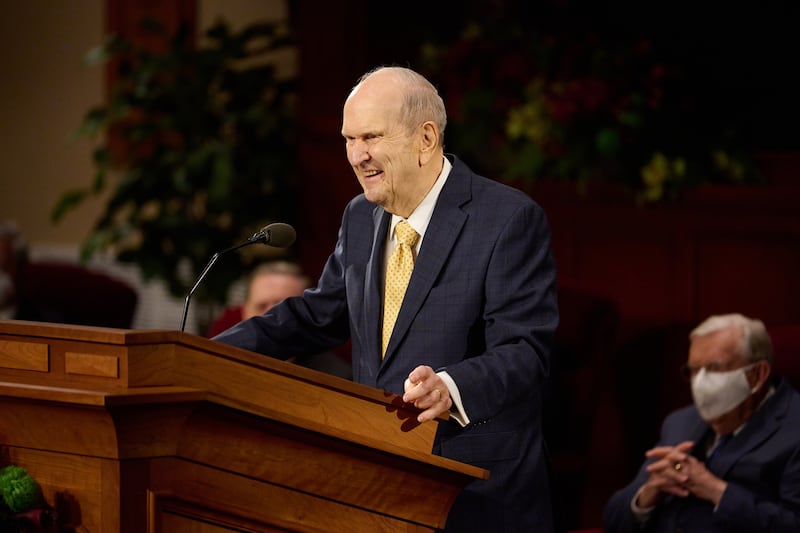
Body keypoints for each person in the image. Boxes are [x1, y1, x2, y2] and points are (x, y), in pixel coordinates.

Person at [213, 66, 559, 532]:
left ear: (426, 138)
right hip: (378, 481)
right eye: (348, 139)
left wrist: (450, 386)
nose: (357, 156)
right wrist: (209, 354)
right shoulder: (361, 217)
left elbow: (525, 351)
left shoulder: (507, 219)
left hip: (475, 491)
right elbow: (317, 314)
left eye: (371, 137)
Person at [603, 313, 800, 532]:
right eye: (694, 370)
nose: (700, 383)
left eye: (715, 368)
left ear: (757, 374)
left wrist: (715, 490)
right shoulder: (680, 421)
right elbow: (612, 520)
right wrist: (648, 493)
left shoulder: (794, 429)